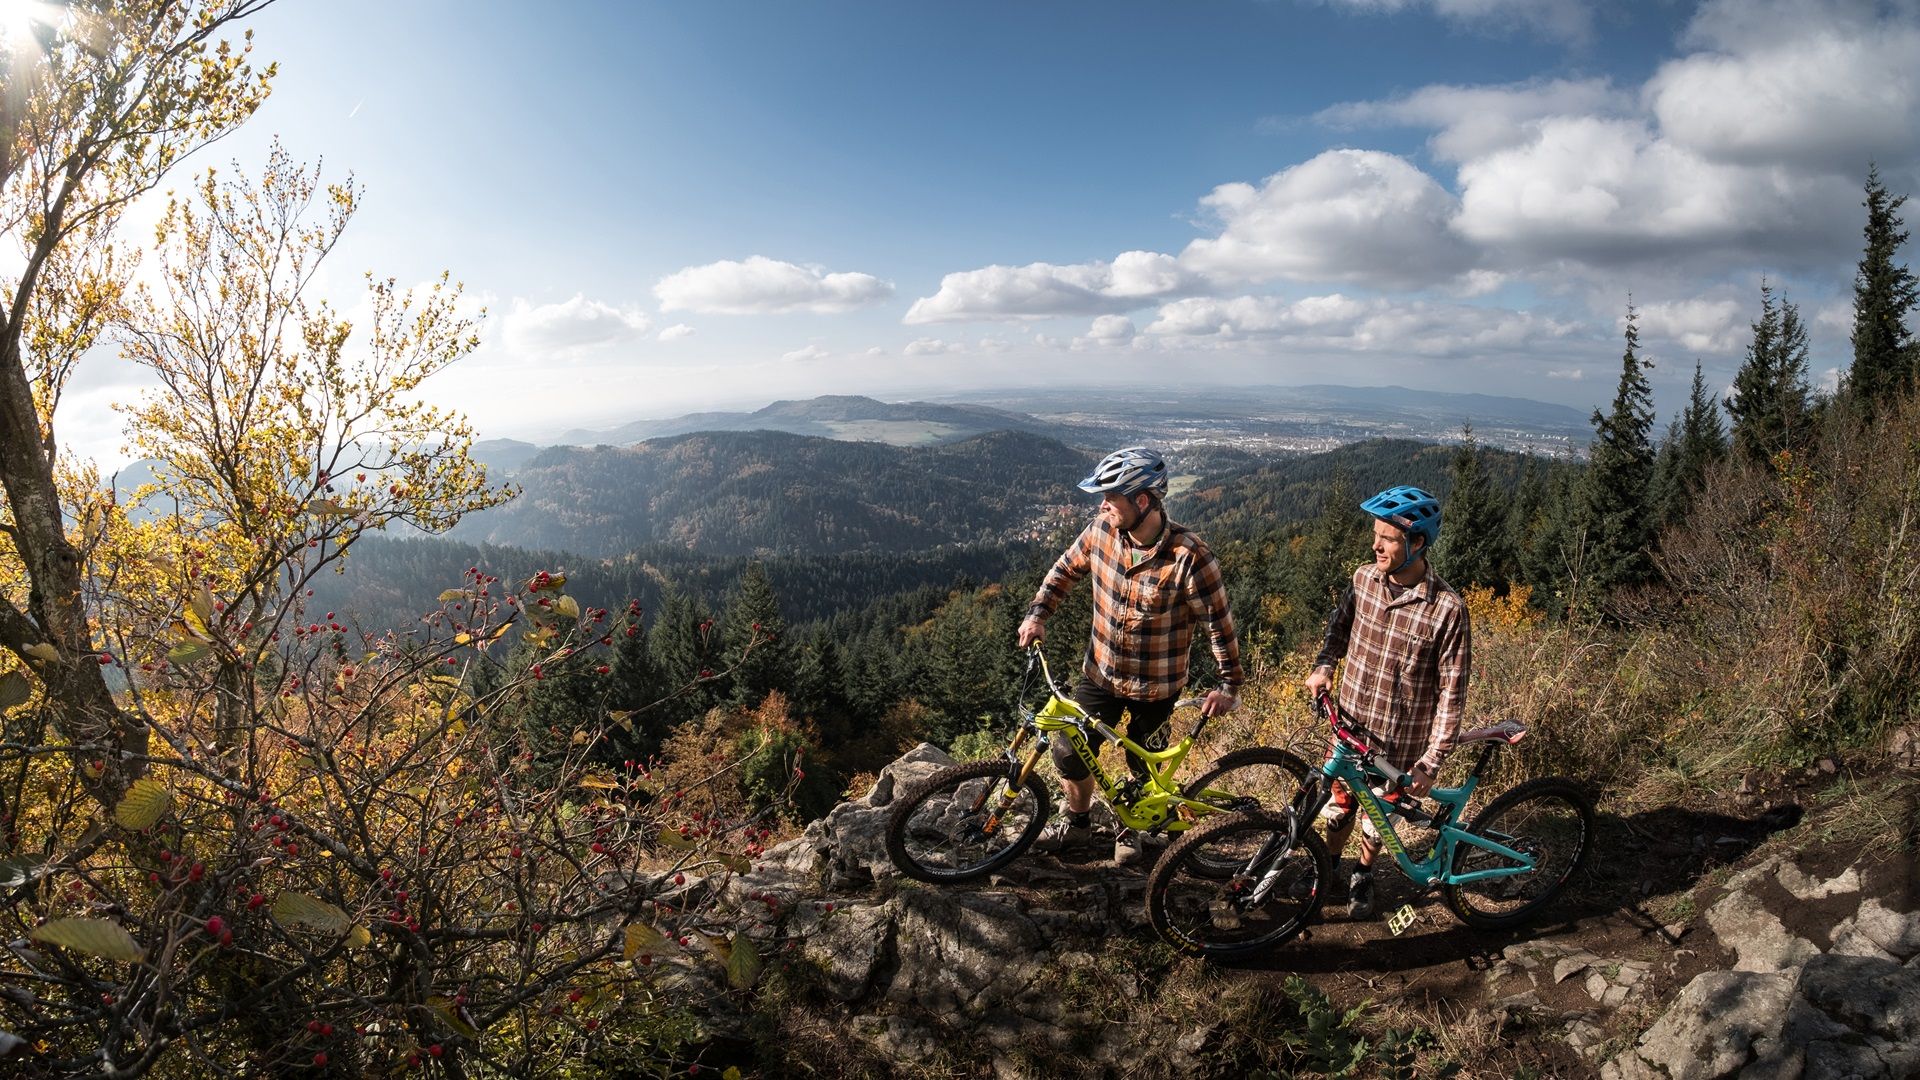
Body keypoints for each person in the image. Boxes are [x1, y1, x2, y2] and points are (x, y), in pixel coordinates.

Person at [1016, 447, 1244, 863]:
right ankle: (1078, 822)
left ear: (1142, 500)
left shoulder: (1191, 557)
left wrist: (1229, 685)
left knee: (1145, 767)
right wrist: (1038, 614)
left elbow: (1219, 625)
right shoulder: (1101, 530)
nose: (1102, 505)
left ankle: (1131, 827)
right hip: (1100, 674)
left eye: (1111, 496)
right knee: (1068, 749)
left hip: (1157, 686)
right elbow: (1064, 570)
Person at [1305, 485, 1471, 919]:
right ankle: (1329, 867)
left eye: (1388, 538)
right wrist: (1324, 665)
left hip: (1400, 745)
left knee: (1376, 821)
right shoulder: (1362, 579)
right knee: (1338, 812)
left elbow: (1453, 693)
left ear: (1417, 543)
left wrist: (1431, 763)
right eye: (1375, 534)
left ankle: (1363, 872)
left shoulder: (1447, 609)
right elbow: (1338, 630)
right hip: (1348, 730)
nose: (1376, 545)